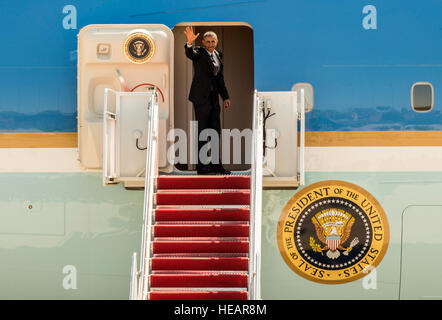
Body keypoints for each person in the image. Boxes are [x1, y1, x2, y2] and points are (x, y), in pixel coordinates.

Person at [184, 26, 231, 175]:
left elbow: (220, 79)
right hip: (201, 98)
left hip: (214, 98)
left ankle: (216, 165)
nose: (211, 44)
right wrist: (190, 43)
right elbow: (190, 53)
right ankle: (202, 167)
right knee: (203, 132)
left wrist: (225, 97)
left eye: (213, 41)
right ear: (203, 42)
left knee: (215, 131)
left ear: (216, 42)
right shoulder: (199, 53)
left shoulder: (218, 55)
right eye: (208, 41)